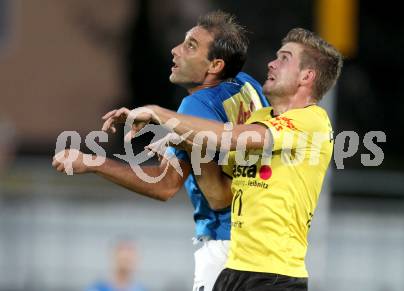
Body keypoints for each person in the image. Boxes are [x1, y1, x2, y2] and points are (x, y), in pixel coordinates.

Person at [100, 27, 343, 290]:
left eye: (284, 58)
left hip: (275, 276)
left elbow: (235, 138)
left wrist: (160, 114)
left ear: (307, 76)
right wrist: (179, 139)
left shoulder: (313, 122)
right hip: (234, 270)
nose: (272, 63)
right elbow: (221, 177)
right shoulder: (261, 117)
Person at [53, 11, 268, 291]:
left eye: (191, 46)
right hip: (263, 239)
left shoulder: (195, 105)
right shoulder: (248, 84)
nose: (175, 50)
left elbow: (164, 186)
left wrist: (92, 162)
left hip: (224, 244)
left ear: (215, 65)